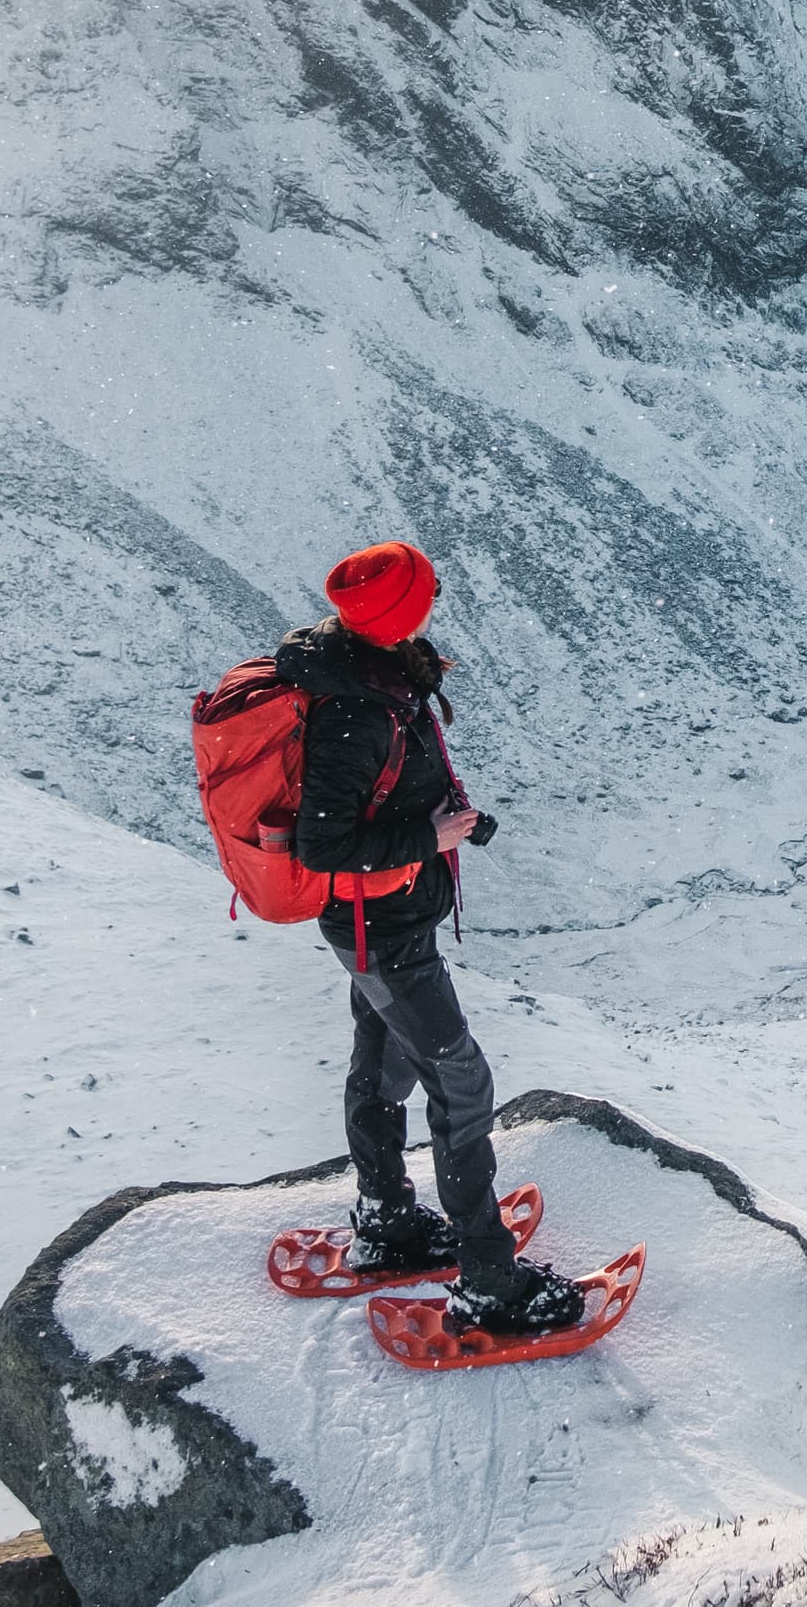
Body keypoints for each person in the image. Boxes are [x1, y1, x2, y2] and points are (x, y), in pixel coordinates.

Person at [280, 541, 585, 1337]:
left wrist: (452, 826)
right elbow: (323, 847)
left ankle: (387, 1226)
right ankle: (489, 1282)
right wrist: (426, 835)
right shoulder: (354, 711)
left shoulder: (379, 672)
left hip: (386, 924)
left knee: (382, 1066)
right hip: (381, 931)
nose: (438, 593)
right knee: (461, 1086)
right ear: (398, 611)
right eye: (427, 587)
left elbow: (388, 804)